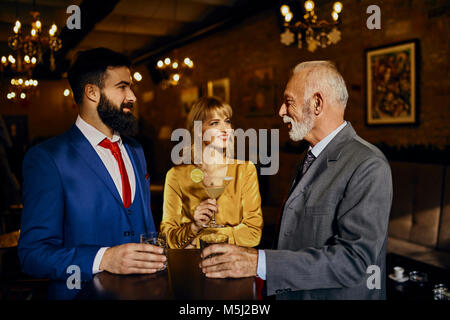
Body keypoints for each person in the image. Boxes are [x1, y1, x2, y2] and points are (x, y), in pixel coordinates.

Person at [199, 61, 393, 300]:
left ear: (317, 104)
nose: (281, 110)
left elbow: (354, 262)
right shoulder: (311, 155)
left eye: (288, 101)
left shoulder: (368, 164)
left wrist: (260, 263)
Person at [18, 48, 166, 291]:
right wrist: (103, 258)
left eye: (131, 87)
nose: (132, 96)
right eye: (122, 87)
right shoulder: (47, 158)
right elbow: (33, 254)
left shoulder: (136, 150)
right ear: (92, 92)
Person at [160, 97, 263, 249]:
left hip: (233, 265)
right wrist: (194, 226)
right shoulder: (176, 175)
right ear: (199, 131)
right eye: (214, 123)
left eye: (227, 121)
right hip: (192, 266)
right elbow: (167, 236)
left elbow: (253, 233)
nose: (225, 129)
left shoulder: (245, 170)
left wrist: (198, 240)